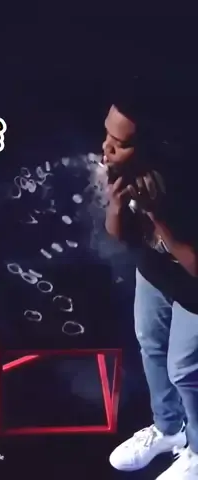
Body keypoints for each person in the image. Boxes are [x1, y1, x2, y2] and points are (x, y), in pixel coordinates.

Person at [104, 76, 198, 479]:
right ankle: (168, 429)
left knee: (185, 371)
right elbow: (122, 237)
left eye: (119, 143)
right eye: (107, 135)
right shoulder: (126, 171)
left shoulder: (186, 182)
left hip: (193, 289)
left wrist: (158, 215)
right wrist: (116, 207)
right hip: (154, 274)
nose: (106, 148)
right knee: (152, 348)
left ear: (151, 146)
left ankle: (197, 451)